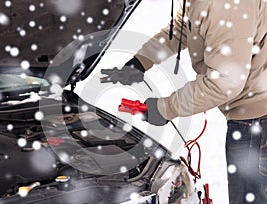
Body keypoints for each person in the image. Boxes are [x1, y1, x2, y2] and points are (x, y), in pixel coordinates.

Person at [102, 0, 267, 203]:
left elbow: (224, 83)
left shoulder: (224, 5)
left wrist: (165, 108)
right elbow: (183, 26)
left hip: (258, 120)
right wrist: (141, 62)